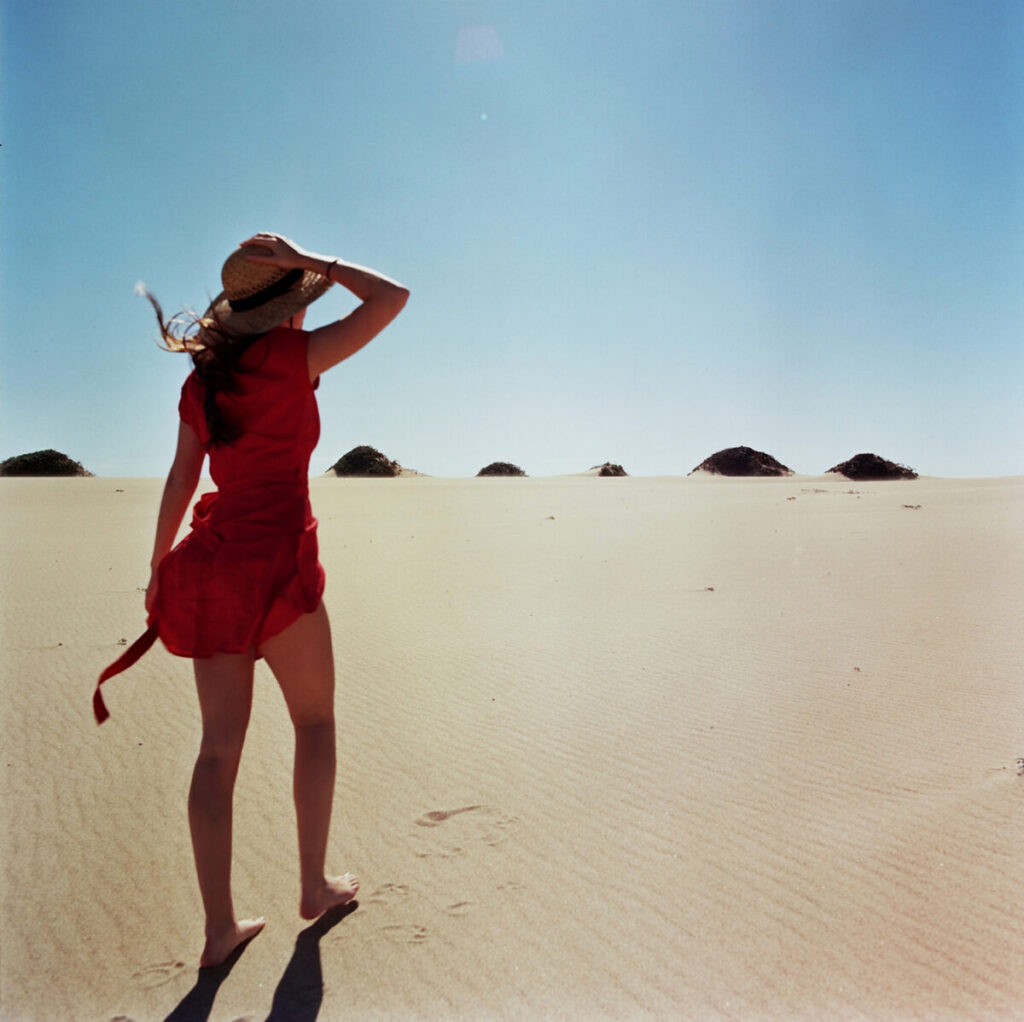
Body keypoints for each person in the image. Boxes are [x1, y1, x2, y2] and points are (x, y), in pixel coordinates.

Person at [94, 232, 408, 967]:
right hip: (282, 570)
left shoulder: (204, 381)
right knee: (316, 722)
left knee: (216, 750)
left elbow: (181, 478)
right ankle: (313, 885)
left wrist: (158, 566)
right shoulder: (297, 357)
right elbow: (392, 298)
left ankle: (218, 929)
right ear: (287, 306)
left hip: (216, 573)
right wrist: (311, 260)